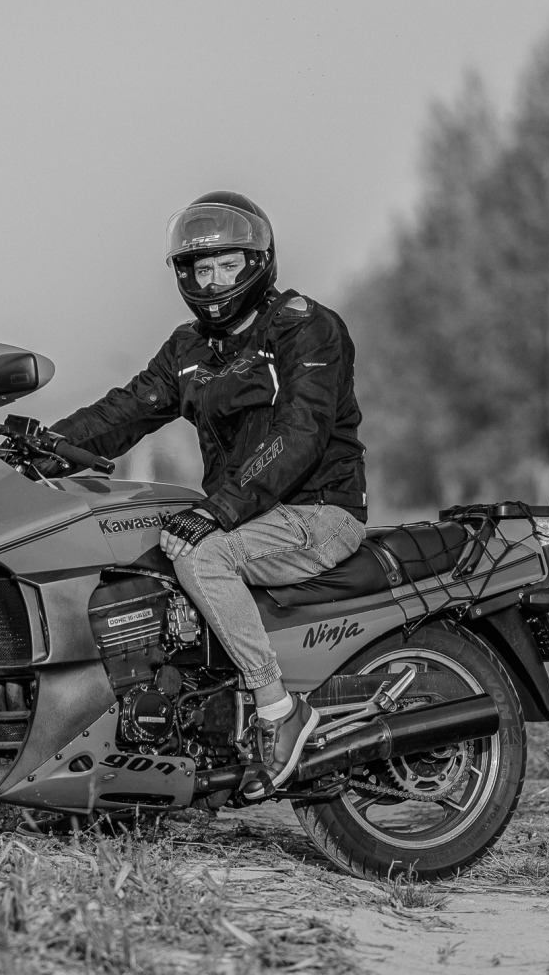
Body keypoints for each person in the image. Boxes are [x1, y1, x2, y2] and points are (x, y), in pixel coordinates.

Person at [48, 191, 368, 799]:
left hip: (317, 512)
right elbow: (127, 409)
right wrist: (46, 442)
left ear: (257, 263)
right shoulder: (190, 350)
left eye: (227, 264)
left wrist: (217, 510)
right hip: (249, 514)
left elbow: (301, 432)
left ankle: (279, 711)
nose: (213, 280)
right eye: (201, 267)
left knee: (200, 552)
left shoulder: (306, 328)